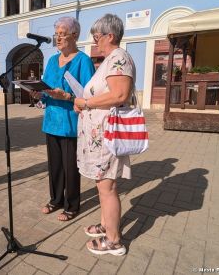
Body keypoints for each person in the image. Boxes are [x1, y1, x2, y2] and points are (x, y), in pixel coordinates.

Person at [74, 14, 136, 256]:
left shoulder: (119, 58)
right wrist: (83, 103)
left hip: (108, 135)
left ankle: (113, 241)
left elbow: (120, 95)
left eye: (96, 37)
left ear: (110, 36)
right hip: (100, 136)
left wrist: (86, 102)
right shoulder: (111, 59)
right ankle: (106, 225)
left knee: (107, 188)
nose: (94, 41)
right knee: (103, 185)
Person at [32, 16, 95, 221]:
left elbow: (89, 95)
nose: (57, 38)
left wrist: (67, 96)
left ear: (74, 35)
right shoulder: (52, 60)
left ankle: (72, 205)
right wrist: (38, 93)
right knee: (55, 165)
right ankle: (56, 199)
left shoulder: (83, 61)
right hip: (51, 121)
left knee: (70, 167)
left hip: (70, 122)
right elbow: (45, 87)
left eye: (62, 34)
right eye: (56, 34)